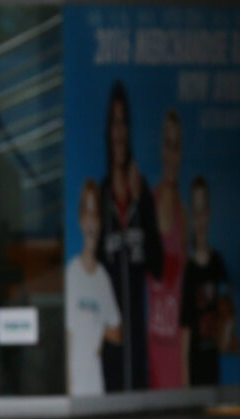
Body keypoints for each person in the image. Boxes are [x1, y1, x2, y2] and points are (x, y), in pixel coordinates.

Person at [98, 80, 162, 391]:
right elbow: (96, 263)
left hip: (137, 332)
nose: (119, 132)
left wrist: (140, 203)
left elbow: (157, 264)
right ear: (108, 131)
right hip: (109, 330)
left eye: (124, 123)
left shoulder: (142, 191)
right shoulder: (102, 193)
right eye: (114, 123)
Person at [66, 178, 121, 396]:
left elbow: (117, 331)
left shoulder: (102, 278)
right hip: (74, 388)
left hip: (96, 387)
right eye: (87, 213)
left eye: (95, 214)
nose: (91, 222)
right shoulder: (72, 274)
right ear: (81, 219)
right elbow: (68, 337)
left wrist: (97, 328)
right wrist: (68, 388)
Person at [180, 176, 234, 385]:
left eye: (203, 211)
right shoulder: (189, 270)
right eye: (195, 212)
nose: (200, 219)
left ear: (209, 213)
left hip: (215, 364)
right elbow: (185, 330)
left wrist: (225, 336)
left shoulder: (217, 264)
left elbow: (228, 314)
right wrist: (185, 380)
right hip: (195, 366)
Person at [147, 109, 187, 389]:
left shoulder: (184, 214)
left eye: (177, 146)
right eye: (167, 145)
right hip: (153, 342)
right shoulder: (150, 204)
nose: (171, 154)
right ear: (161, 150)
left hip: (176, 343)